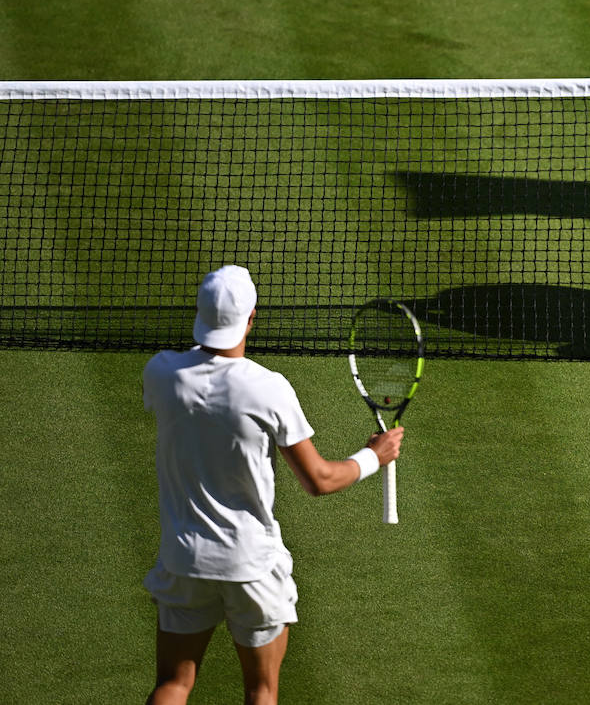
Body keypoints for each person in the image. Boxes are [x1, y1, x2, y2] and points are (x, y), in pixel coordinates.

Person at [142, 265, 404, 704]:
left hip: (184, 559)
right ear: (251, 318)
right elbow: (318, 479)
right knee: (261, 691)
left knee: (173, 684)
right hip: (250, 566)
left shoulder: (162, 374)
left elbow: (200, 374)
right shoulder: (268, 389)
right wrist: (373, 457)